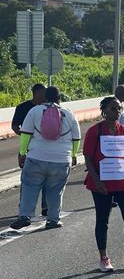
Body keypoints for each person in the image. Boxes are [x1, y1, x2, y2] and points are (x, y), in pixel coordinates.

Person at [83, 96, 124, 272]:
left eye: (119, 108)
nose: (117, 111)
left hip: (122, 182)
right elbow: (88, 157)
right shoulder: (95, 131)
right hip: (101, 184)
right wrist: (96, 180)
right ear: (104, 111)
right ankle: (104, 258)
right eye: (112, 108)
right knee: (103, 220)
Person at [10, 86, 81, 230]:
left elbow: (26, 134)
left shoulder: (34, 111)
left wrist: (23, 152)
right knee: (56, 190)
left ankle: (25, 216)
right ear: (59, 98)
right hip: (61, 159)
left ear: (45, 98)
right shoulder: (69, 113)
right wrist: (73, 154)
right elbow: (76, 138)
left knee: (30, 186)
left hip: (36, 156)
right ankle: (53, 220)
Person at [11, 83, 48, 217]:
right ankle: (24, 210)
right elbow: (15, 126)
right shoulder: (23, 108)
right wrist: (26, 135)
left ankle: (46, 208)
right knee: (27, 179)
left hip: (45, 147)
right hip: (28, 146)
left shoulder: (48, 108)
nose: (46, 94)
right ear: (37, 92)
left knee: (47, 178)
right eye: (44, 91)